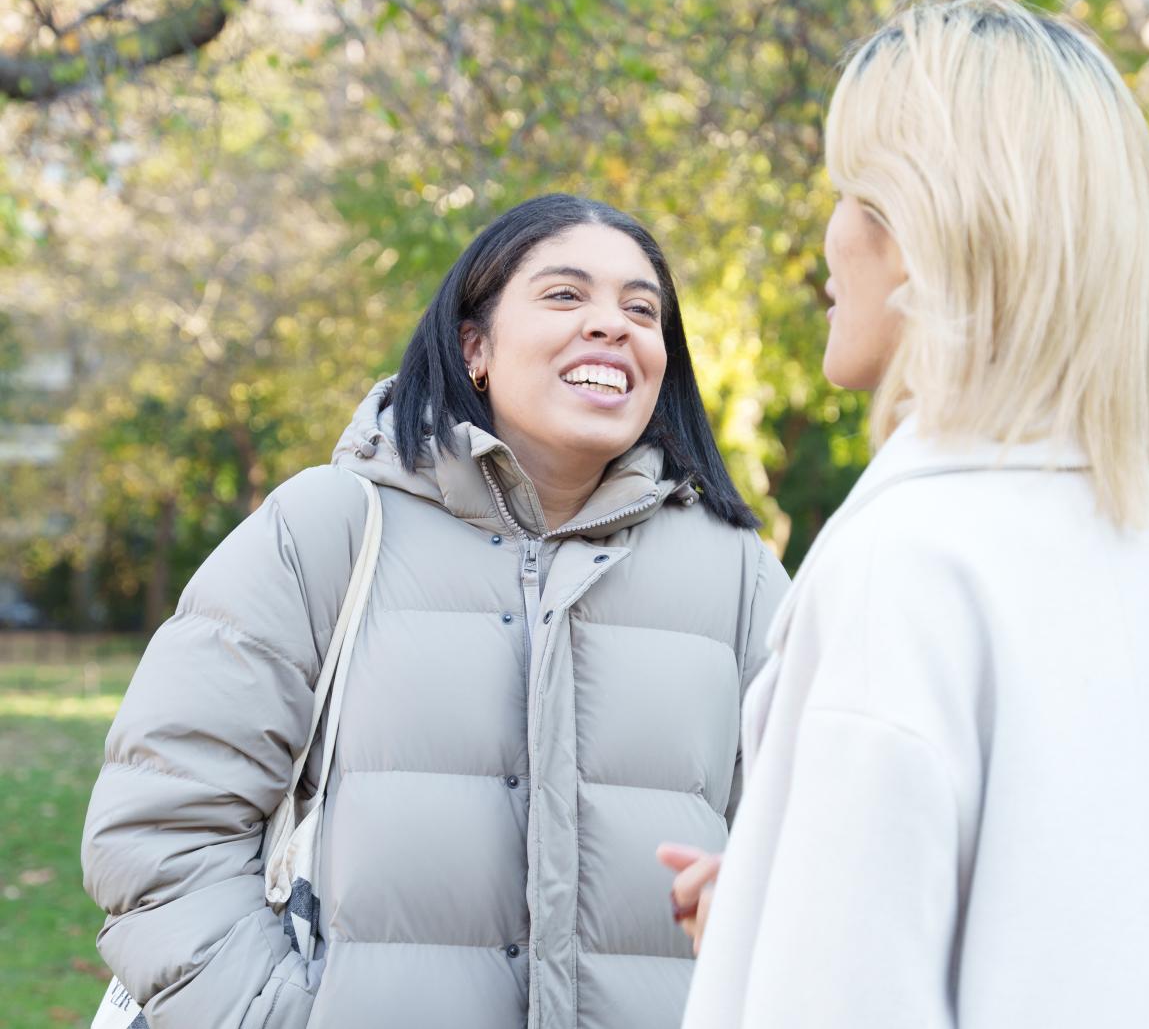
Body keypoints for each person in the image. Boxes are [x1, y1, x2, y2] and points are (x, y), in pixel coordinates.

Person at [82, 193, 788, 1029]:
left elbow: (811, 847)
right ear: (473, 346)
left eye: (642, 309)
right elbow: (162, 830)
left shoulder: (737, 572)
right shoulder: (328, 526)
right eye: (566, 295)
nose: (613, 324)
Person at [670, 0, 1149, 1028]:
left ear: (926, 231)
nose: (828, 238)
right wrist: (767, 916)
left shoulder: (910, 559)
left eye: (851, 192)